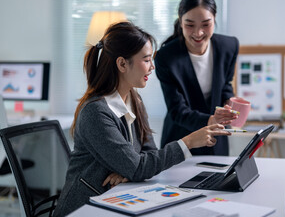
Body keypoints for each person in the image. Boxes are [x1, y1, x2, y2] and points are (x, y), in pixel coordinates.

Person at [54, 22, 229, 216]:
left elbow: (148, 154)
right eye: (146, 60)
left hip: (114, 201)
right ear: (122, 64)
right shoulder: (95, 113)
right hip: (84, 209)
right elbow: (139, 166)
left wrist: (129, 172)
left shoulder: (134, 99)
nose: (152, 67)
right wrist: (188, 142)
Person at [155, 0, 240, 156]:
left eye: (206, 24)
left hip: (216, 140)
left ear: (215, 20)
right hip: (181, 139)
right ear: (180, 22)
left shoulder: (229, 46)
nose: (198, 33)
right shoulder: (166, 57)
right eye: (190, 25)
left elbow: (225, 85)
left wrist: (229, 104)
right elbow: (176, 109)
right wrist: (210, 120)